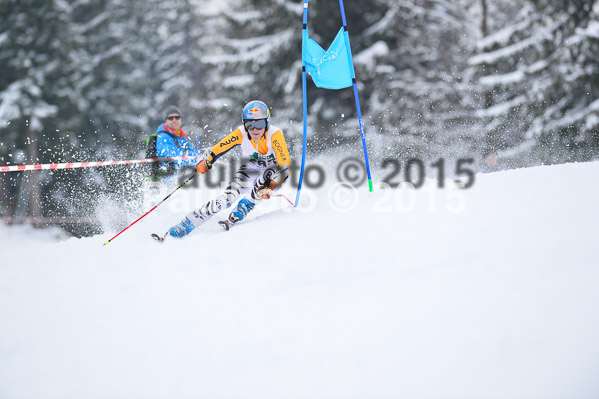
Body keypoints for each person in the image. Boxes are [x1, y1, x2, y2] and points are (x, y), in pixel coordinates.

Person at [167, 100, 291, 238]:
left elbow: (285, 168)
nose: (254, 129)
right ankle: (187, 223)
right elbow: (218, 148)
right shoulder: (241, 133)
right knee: (226, 199)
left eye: (259, 124)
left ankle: (247, 204)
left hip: (273, 173)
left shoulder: (275, 134)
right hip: (250, 168)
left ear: (267, 123)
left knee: (263, 182)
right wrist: (206, 161)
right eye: (249, 124)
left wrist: (271, 185)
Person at [144, 106, 202, 205]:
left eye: (177, 117)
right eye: (170, 118)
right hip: (165, 181)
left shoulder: (181, 137)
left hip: (179, 179)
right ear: (166, 121)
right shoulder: (163, 136)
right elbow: (174, 158)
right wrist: (191, 159)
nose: (174, 120)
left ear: (181, 119)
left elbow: (193, 154)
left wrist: (202, 159)